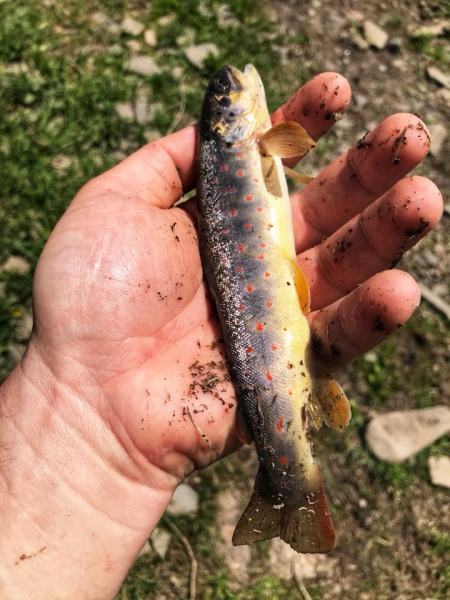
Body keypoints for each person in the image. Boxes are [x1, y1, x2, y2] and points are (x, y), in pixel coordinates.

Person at [0, 72, 442, 599]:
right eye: (227, 100)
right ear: (234, 125)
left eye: (223, 98)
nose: (235, 88)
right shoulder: (259, 141)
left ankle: (285, 473)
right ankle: (289, 479)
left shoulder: (253, 143)